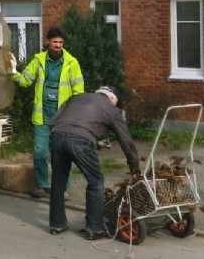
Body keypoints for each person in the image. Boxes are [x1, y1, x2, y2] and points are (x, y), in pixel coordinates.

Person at [48, 86, 141, 240]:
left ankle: (56, 225)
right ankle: (94, 229)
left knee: (58, 181)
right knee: (96, 182)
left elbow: (53, 122)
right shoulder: (111, 108)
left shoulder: (76, 98)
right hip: (81, 141)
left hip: (56, 136)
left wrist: (92, 141)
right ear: (112, 99)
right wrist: (135, 168)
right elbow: (126, 141)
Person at [13, 27, 84, 198]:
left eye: (60, 42)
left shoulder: (71, 63)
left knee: (62, 154)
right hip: (42, 116)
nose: (58, 45)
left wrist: (75, 114)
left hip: (63, 117)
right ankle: (42, 186)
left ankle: (62, 188)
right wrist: (12, 72)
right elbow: (25, 81)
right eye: (54, 42)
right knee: (40, 153)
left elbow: (79, 90)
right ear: (47, 42)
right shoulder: (38, 61)